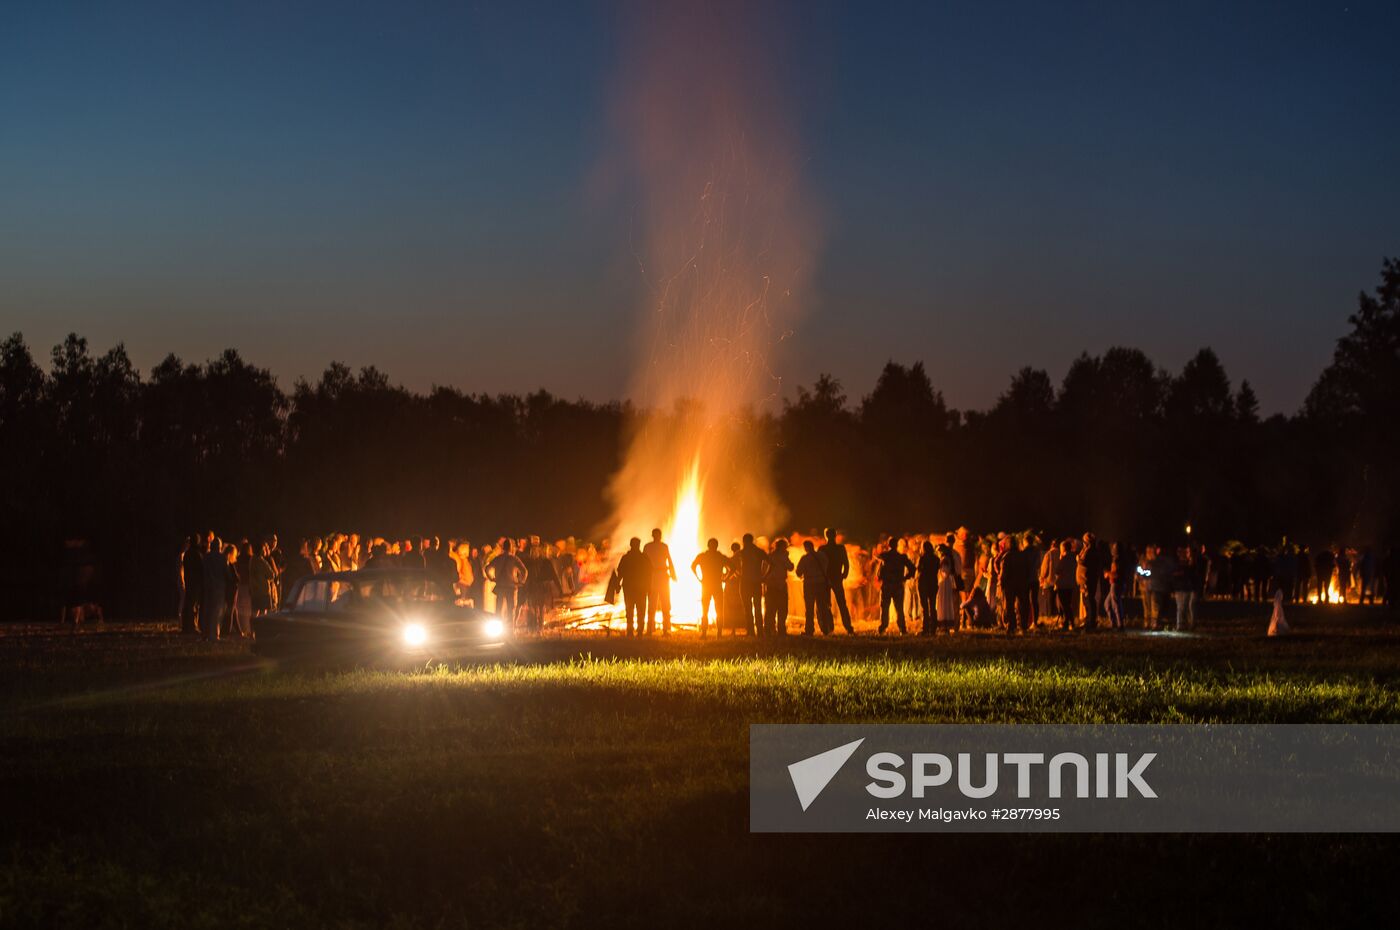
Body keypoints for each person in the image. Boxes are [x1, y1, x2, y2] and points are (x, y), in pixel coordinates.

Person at [691, 538, 729, 637]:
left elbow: (693, 566)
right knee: (718, 609)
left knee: (706, 610)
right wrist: (725, 578)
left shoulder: (703, 556)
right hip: (716, 584)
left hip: (707, 584)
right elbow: (732, 567)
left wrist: (698, 578)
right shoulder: (719, 557)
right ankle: (718, 633)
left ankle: (704, 633)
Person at [875, 538, 914, 634]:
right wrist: (905, 577)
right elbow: (912, 568)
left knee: (885, 607)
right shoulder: (901, 557)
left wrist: (880, 576)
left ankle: (883, 627)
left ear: (889, 545)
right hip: (897, 585)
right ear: (896, 545)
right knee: (899, 608)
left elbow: (879, 570)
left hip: (887, 585)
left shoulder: (885, 556)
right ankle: (902, 628)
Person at [820, 528, 855, 634]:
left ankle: (829, 627)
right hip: (836, 577)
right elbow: (846, 563)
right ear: (835, 535)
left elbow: (819, 564)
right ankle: (848, 627)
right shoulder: (840, 548)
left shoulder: (822, 549)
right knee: (842, 603)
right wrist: (844, 574)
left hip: (825, 579)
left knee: (826, 604)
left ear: (826, 536)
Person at [485, 538, 527, 626]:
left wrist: (491, 578)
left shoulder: (498, 558)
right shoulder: (514, 558)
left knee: (499, 607)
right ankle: (510, 627)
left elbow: (487, 568)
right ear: (511, 547)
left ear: (503, 547)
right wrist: (521, 581)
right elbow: (524, 570)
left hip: (500, 585)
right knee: (511, 608)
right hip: (511, 586)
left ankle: (498, 626)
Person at [615, 538, 652, 636]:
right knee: (640, 610)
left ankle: (631, 631)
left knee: (630, 609)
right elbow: (649, 573)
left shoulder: (627, 557)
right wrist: (649, 587)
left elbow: (620, 572)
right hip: (640, 588)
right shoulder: (643, 557)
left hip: (630, 587)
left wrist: (618, 584)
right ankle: (638, 631)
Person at [643, 528, 677, 635]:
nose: (657, 536)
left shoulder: (662, 546)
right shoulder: (648, 547)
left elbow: (669, 561)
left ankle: (665, 629)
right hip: (653, 577)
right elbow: (644, 562)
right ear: (653, 535)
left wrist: (673, 574)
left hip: (661, 577)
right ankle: (650, 629)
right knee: (652, 605)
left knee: (665, 604)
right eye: (656, 534)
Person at [796, 539, 833, 635]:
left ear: (806, 548)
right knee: (822, 607)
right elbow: (827, 567)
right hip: (821, 583)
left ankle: (809, 629)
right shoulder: (822, 556)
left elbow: (798, 572)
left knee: (809, 608)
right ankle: (825, 629)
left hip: (809, 584)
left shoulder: (805, 558)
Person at [737, 534, 767, 636]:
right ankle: (760, 631)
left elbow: (731, 562)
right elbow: (771, 563)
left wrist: (737, 573)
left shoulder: (742, 552)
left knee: (748, 608)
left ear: (744, 541)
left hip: (745, 582)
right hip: (756, 582)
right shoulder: (759, 552)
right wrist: (764, 576)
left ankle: (750, 631)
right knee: (757, 607)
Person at [763, 539, 793, 635]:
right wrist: (787, 557)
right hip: (780, 586)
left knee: (770, 609)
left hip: (770, 585)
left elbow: (764, 569)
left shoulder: (769, 556)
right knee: (782, 609)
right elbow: (790, 567)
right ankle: (781, 629)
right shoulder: (783, 556)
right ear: (783, 547)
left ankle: (768, 629)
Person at [201, 536, 227, 642]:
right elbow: (226, 572)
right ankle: (215, 635)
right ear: (219, 546)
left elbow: (203, 571)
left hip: (208, 586)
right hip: (219, 586)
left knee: (207, 610)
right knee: (217, 611)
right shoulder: (222, 558)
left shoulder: (206, 557)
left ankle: (206, 634)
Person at [1077, 532, 1104, 631]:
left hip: (1088, 579)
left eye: (1084, 542)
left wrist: (1078, 559)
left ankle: (1091, 622)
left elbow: (1083, 561)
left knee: (1089, 600)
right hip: (1085, 579)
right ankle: (1088, 620)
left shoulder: (1090, 551)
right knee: (1086, 600)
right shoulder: (1089, 550)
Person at [180, 534, 203, 635]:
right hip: (195, 582)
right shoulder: (197, 554)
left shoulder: (188, 554)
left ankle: (186, 626)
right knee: (193, 605)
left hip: (189, 580)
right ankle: (192, 626)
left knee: (188, 603)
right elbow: (201, 569)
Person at [916, 541, 940, 636]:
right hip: (933, 583)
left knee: (925, 608)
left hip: (923, 584)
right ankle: (933, 628)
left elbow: (919, 569)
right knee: (933, 607)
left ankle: (925, 628)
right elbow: (937, 569)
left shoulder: (922, 558)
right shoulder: (936, 559)